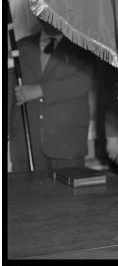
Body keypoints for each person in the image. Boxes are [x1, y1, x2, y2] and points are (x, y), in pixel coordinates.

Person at [10, 19, 95, 172]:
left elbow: (83, 81)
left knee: (66, 196)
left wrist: (39, 90)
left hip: (67, 143)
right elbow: (8, 90)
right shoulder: (20, 46)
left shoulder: (83, 46)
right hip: (26, 142)